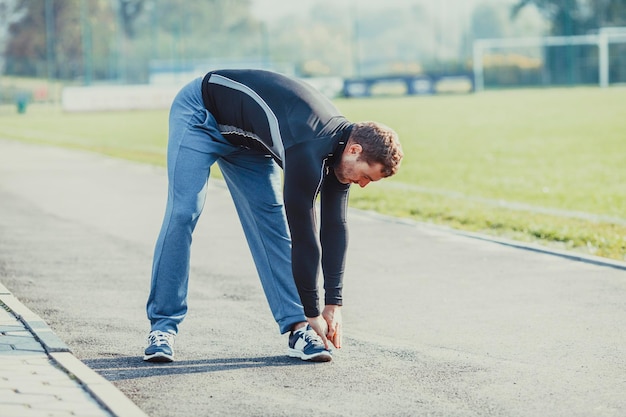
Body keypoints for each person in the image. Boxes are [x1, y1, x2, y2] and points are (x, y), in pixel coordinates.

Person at [144, 69, 403, 363]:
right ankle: (162, 328)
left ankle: (298, 329)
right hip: (201, 113)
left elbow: (334, 227)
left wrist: (333, 303)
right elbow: (305, 234)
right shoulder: (309, 148)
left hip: (248, 142)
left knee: (272, 226)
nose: (364, 184)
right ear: (355, 150)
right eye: (367, 176)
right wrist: (312, 309)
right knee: (184, 212)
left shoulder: (342, 153)